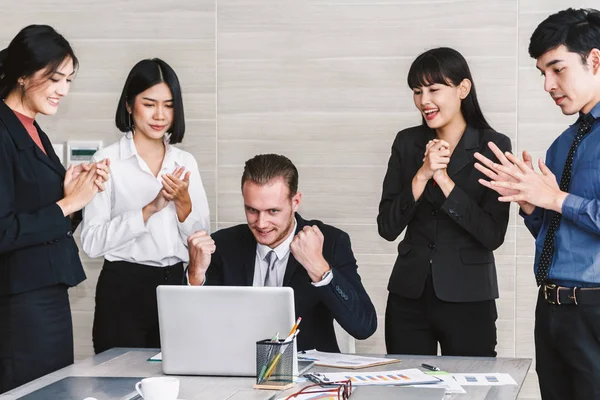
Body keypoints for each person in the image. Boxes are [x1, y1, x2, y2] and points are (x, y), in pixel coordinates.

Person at [474, 8, 600, 399]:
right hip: (551, 309)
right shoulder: (563, 144)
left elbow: (564, 205)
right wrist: (531, 207)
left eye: (557, 69)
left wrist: (555, 198)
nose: (548, 84)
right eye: (542, 73)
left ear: (595, 60)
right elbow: (556, 230)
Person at [377, 47, 511, 357]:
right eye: (417, 91)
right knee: (408, 389)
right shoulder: (406, 142)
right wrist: (422, 175)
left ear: (463, 89)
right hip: (408, 296)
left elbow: (492, 234)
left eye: (434, 89)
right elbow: (387, 226)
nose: (424, 100)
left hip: (469, 297)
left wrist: (444, 180)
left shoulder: (493, 146)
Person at [0, 25, 109, 392]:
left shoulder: (33, 129)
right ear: (23, 74)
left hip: (47, 291)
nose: (63, 90)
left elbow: (47, 219)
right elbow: (4, 230)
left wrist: (77, 195)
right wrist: (67, 203)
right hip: (18, 301)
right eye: (55, 78)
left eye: (69, 80)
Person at [81, 59, 210, 354]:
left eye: (168, 105)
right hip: (123, 287)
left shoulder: (185, 162)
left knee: (177, 382)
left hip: (176, 286)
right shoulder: (107, 160)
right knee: (117, 388)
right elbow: (91, 242)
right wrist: (149, 209)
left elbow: (201, 241)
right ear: (129, 105)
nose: (160, 115)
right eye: (149, 104)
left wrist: (183, 202)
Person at [187, 154, 376, 352]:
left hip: (307, 373)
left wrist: (319, 267)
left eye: (273, 211)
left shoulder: (331, 243)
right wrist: (195, 276)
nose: (261, 223)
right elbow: (192, 328)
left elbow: (364, 327)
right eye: (252, 210)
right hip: (236, 367)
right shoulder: (223, 245)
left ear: (295, 202)